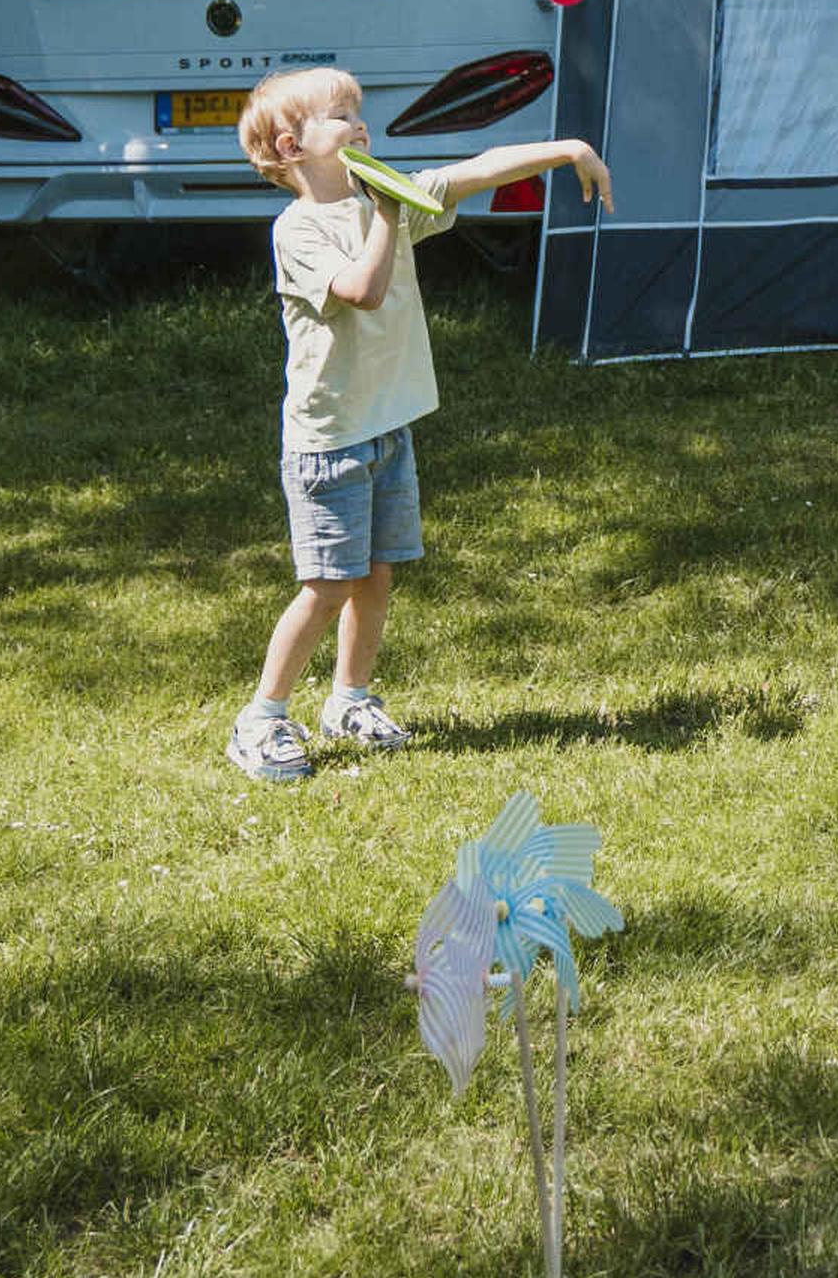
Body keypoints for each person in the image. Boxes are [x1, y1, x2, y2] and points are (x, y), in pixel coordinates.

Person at [226, 66, 611, 783]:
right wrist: (390, 214)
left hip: (387, 429)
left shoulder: (385, 198)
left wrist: (566, 149)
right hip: (331, 443)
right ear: (290, 146)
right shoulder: (300, 230)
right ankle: (262, 718)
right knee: (327, 585)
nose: (359, 124)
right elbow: (363, 291)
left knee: (376, 575)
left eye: (358, 112)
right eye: (340, 116)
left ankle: (351, 700)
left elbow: (475, 170)